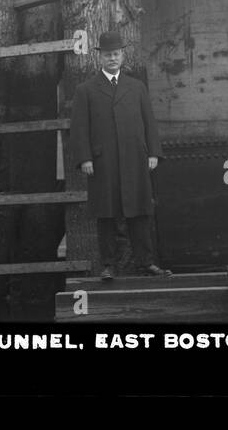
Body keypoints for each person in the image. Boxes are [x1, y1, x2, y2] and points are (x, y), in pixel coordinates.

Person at [67, 31, 170, 279]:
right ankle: (108, 265)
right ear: (99, 57)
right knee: (106, 215)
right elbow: (79, 128)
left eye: (116, 54)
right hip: (104, 162)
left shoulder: (136, 87)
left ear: (122, 56)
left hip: (136, 160)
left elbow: (149, 123)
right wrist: (85, 158)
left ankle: (145, 263)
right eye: (107, 55)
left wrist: (153, 152)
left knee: (140, 212)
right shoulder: (86, 90)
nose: (112, 58)